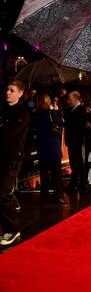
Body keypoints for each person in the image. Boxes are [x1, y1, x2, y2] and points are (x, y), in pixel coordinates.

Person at [0, 80, 30, 246]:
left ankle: (12, 229)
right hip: (3, 157)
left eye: (12, 90)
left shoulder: (22, 113)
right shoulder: (5, 110)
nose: (8, 93)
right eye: (7, 89)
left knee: (2, 194)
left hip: (12, 159)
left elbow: (7, 134)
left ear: (20, 93)